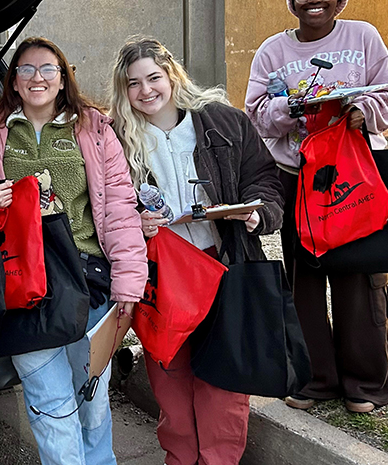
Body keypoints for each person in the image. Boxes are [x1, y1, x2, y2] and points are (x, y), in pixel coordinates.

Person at [0, 37, 146, 465]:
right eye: (26, 69)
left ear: (64, 77)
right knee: (50, 406)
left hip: (88, 282)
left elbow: (120, 207)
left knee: (91, 402)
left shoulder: (94, 127)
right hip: (22, 283)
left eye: (48, 69)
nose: (37, 78)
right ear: (12, 80)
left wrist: (128, 280)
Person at [109, 38, 283, 465]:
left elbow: (264, 179)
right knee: (170, 382)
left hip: (223, 268)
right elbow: (104, 206)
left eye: (154, 77)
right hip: (161, 278)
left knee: (223, 386)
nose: (146, 90)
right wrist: (137, 222)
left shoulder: (223, 122)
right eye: (134, 83)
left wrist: (258, 213)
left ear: (172, 74)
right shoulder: (114, 139)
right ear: (123, 89)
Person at [245, 0, 388, 414]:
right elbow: (254, 114)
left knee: (358, 277)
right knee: (305, 282)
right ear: (290, 0)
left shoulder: (364, 36)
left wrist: (362, 110)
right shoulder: (273, 51)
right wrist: (291, 108)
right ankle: (315, 380)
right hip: (297, 178)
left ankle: (367, 385)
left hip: (354, 176)